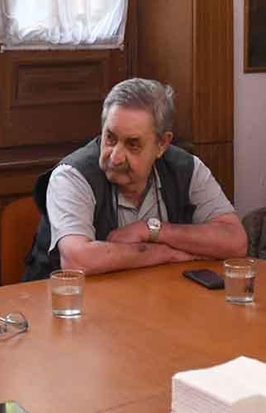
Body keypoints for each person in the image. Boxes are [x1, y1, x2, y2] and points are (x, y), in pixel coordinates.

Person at [24, 78, 246, 278]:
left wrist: (151, 230)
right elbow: (77, 261)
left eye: (133, 144)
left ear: (162, 145)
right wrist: (166, 253)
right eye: (110, 138)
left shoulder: (186, 168)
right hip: (71, 311)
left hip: (155, 303)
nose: (116, 157)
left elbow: (235, 241)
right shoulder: (73, 175)